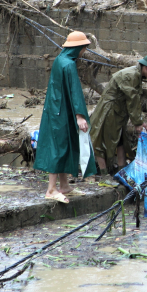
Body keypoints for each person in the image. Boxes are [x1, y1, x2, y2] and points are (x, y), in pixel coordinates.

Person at [34, 31, 97, 203]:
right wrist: (80, 116)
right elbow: (75, 91)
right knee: (58, 148)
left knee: (63, 146)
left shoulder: (59, 60)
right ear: (78, 48)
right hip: (60, 113)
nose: (84, 52)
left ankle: (64, 186)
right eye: (84, 48)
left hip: (56, 109)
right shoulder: (68, 64)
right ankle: (51, 189)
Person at [89, 55, 147, 177]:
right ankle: (104, 174)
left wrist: (140, 120)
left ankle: (122, 172)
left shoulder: (137, 75)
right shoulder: (131, 75)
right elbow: (132, 99)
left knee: (121, 141)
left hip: (118, 112)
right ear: (146, 68)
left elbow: (134, 100)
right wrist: (137, 122)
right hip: (109, 111)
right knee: (101, 142)